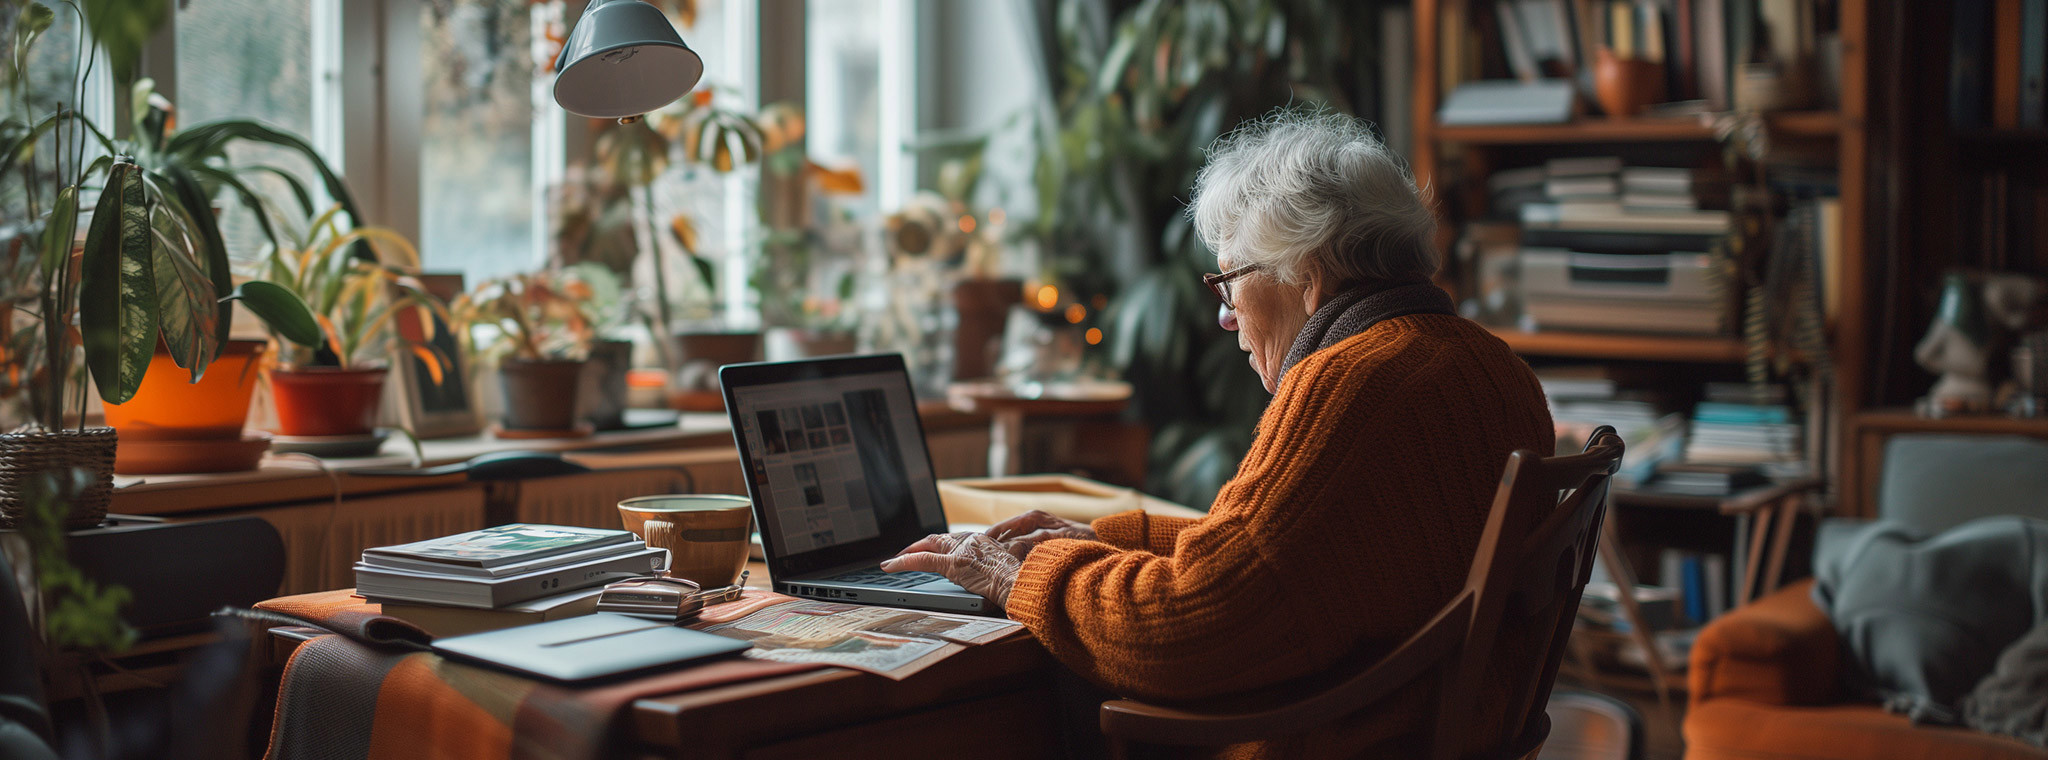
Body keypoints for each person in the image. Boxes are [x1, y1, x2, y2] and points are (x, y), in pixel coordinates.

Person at [884, 108, 1555, 758]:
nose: (1226, 319)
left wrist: (1022, 573)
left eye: (1229, 281)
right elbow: (1303, 565)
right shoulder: (1491, 368)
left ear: (1306, 272)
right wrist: (1103, 540)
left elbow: (1185, 629)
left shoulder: (1353, 382)